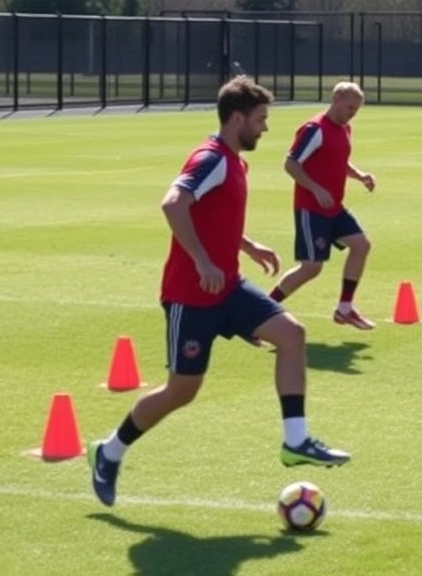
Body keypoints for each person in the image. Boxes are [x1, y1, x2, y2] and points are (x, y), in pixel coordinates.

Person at [87, 76, 350, 508]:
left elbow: (213, 214)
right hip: (191, 296)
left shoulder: (234, 161)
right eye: (261, 119)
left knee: (292, 334)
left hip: (226, 287)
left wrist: (246, 244)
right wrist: (202, 261)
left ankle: (296, 440)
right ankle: (109, 451)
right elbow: (174, 203)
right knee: (181, 390)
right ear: (237, 118)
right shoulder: (211, 158)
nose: (265, 128)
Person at [267, 81, 377, 330]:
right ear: (336, 99)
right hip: (311, 209)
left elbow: (338, 161)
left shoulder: (344, 129)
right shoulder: (314, 129)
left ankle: (345, 309)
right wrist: (315, 188)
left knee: (361, 245)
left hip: (334, 208)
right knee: (311, 268)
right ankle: (263, 310)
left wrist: (359, 175)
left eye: (356, 109)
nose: (352, 113)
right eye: (349, 107)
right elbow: (291, 163)